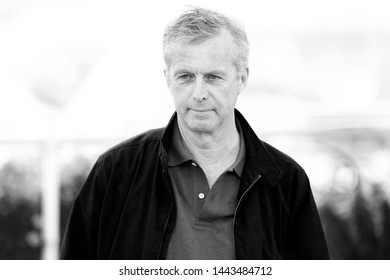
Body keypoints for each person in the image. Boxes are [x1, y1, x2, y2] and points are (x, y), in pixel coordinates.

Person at [60, 7, 329, 260]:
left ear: (242, 78)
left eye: (213, 77)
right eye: (186, 76)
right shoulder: (116, 173)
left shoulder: (285, 182)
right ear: (168, 78)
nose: (199, 94)